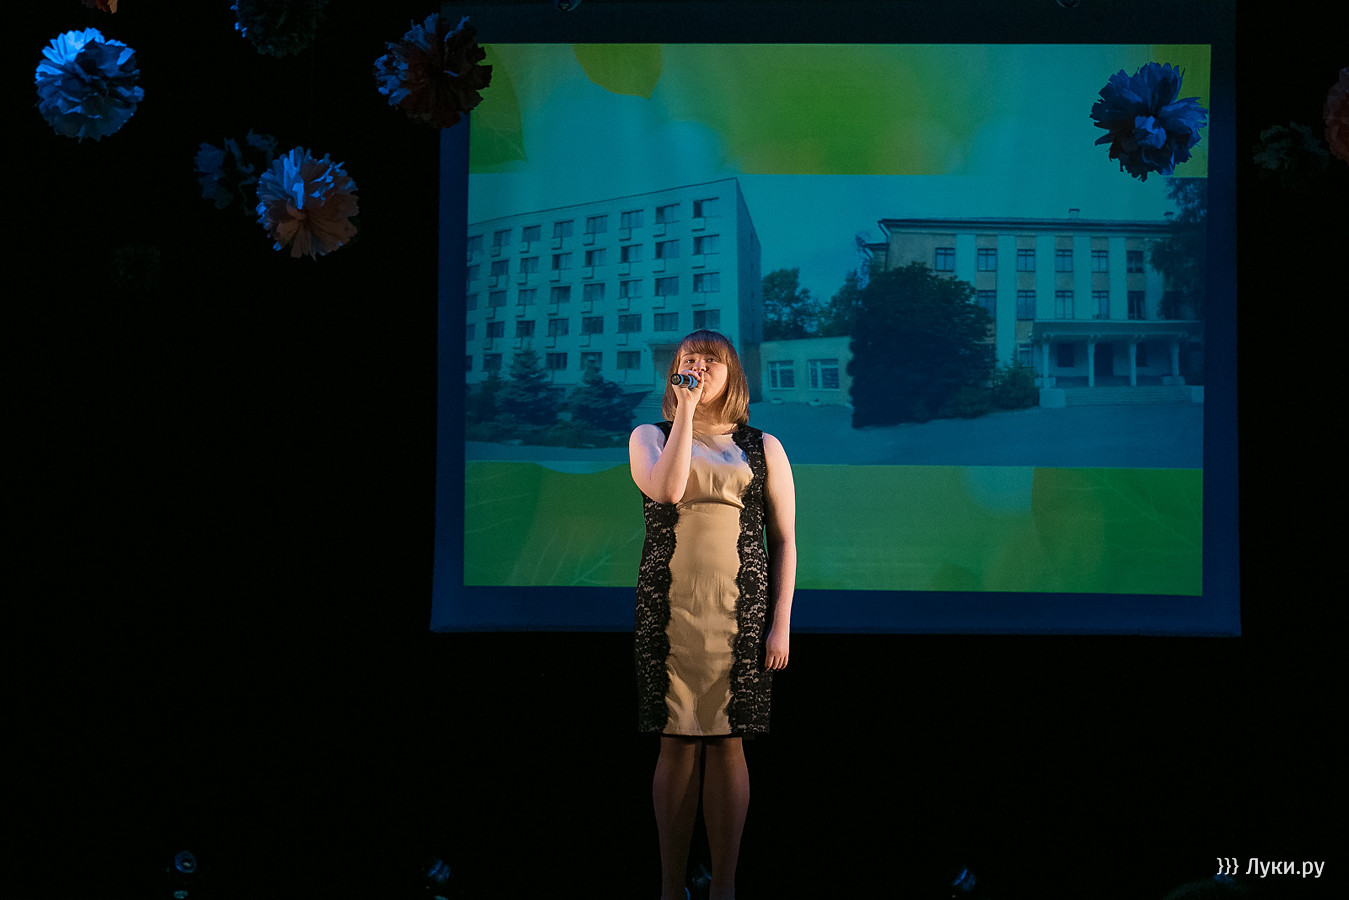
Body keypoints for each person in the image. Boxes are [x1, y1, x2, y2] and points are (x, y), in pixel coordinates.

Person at [628, 330, 796, 900]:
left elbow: (785, 540)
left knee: (729, 740)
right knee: (675, 739)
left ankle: (723, 886)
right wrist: (686, 413)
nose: (698, 367)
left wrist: (780, 622)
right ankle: (670, 887)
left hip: (740, 610)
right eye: (689, 360)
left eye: (710, 360)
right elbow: (668, 490)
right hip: (669, 606)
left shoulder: (763, 446)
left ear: (733, 374)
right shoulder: (650, 436)